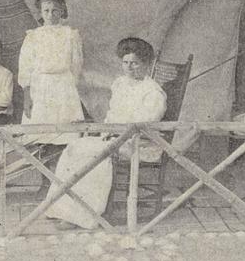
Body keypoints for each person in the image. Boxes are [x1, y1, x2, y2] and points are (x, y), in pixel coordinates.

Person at [46, 37, 167, 230]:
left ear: (146, 63)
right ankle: (62, 209)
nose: (129, 68)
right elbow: (112, 115)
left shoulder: (153, 93)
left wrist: (115, 136)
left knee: (93, 154)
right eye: (125, 63)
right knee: (75, 146)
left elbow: (144, 126)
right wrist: (106, 131)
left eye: (135, 63)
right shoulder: (120, 84)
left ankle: (83, 215)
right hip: (114, 138)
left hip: (139, 144)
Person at [18, 0, 84, 127]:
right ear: (41, 13)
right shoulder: (33, 36)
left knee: (65, 127)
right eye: (46, 11)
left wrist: (70, 85)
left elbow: (76, 64)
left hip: (64, 84)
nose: (50, 15)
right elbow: (25, 67)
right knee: (40, 127)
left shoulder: (71, 35)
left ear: (62, 12)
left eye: (55, 11)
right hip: (40, 85)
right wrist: (27, 97)